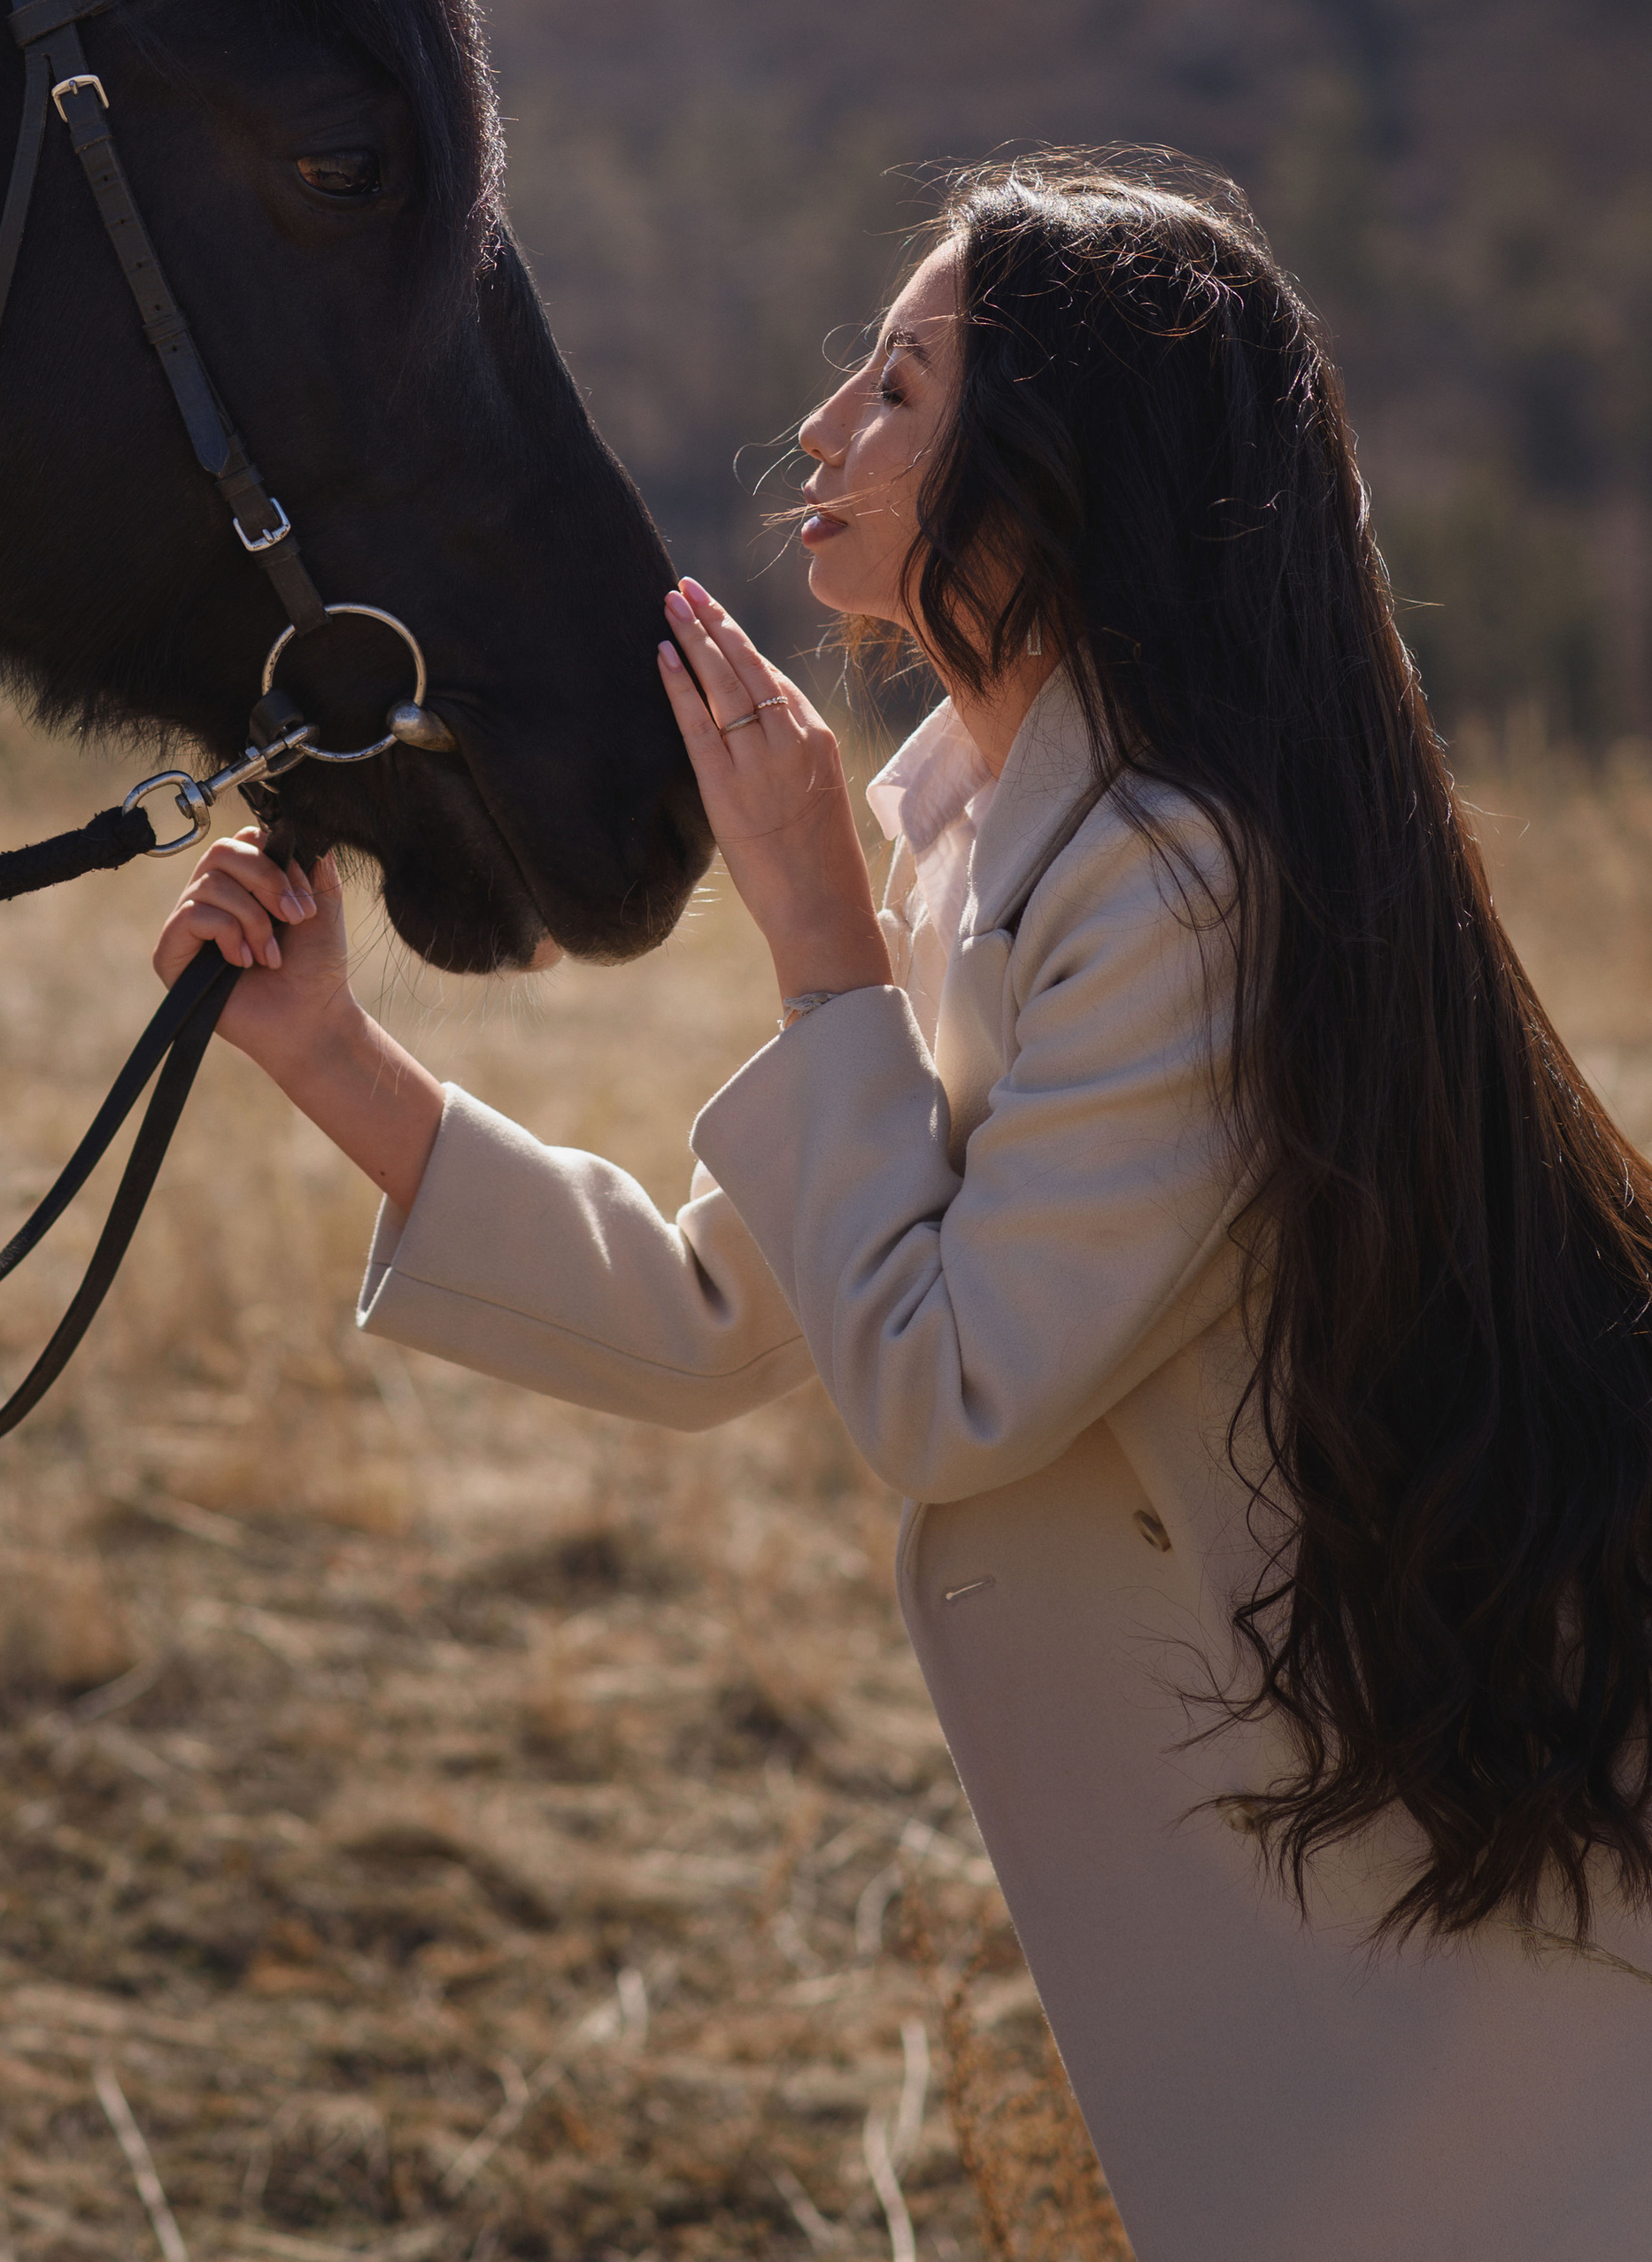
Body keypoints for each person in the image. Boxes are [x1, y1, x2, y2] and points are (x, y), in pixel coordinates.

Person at [154, 158, 1652, 2262]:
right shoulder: (974, 836)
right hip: (1311, 1863)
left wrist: (815, 944)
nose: (825, 429)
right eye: (853, 374)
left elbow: (950, 1388)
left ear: (1055, 475)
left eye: (902, 387)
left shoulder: (1168, 882)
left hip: (1429, 1871)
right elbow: (709, 1312)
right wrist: (329, 1053)